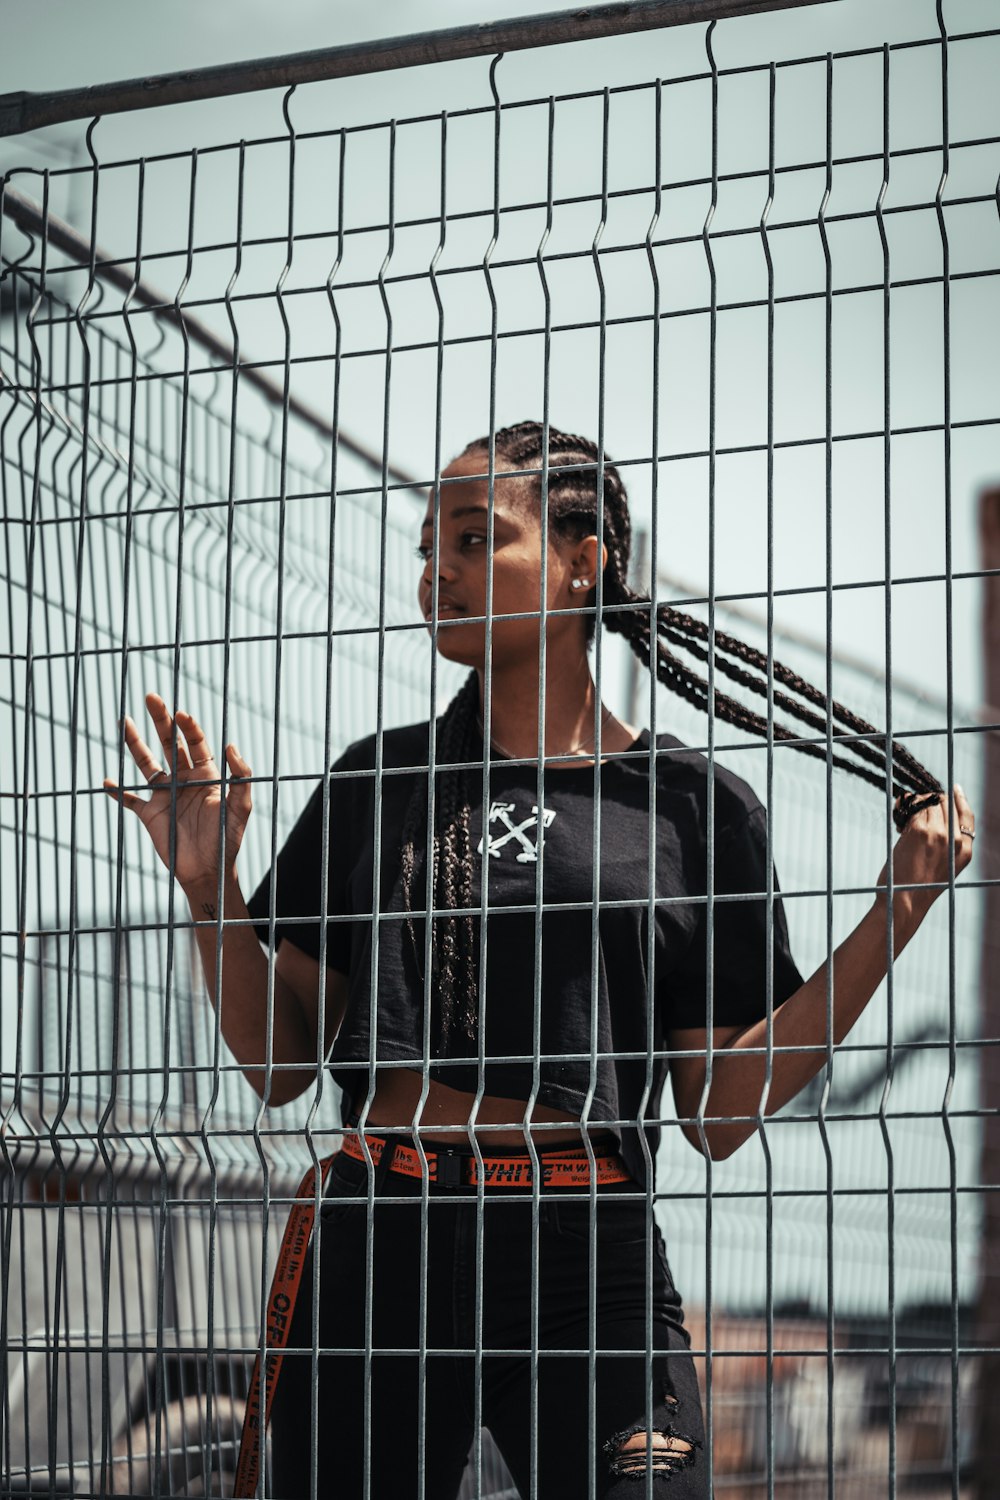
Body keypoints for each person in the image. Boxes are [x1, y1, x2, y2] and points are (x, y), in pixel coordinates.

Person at [105, 421, 975, 1498]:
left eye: (474, 541)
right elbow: (279, 1063)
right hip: (387, 1240)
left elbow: (719, 1110)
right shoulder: (379, 781)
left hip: (588, 1256)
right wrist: (207, 890)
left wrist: (896, 909)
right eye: (428, 548)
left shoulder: (696, 808)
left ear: (580, 560)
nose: (438, 573)